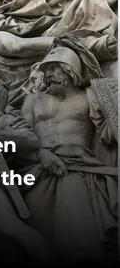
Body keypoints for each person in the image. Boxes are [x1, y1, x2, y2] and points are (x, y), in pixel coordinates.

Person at [20, 46, 118, 263]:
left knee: (76, 239)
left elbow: (112, 128)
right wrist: (41, 154)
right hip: (36, 169)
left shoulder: (92, 97)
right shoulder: (34, 101)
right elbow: (21, 133)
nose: (48, 75)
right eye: (46, 70)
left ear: (70, 69)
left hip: (77, 168)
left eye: (55, 69)